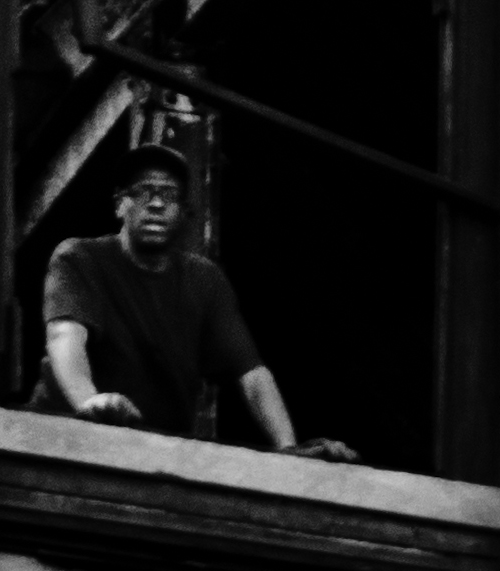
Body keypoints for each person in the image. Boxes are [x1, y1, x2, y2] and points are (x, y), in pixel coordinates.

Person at [32, 141, 355, 459]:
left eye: (169, 194)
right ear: (120, 204)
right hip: (65, 437)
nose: (156, 203)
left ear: (184, 212)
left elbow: (251, 374)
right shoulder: (80, 258)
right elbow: (65, 336)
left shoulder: (204, 280)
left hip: (151, 451)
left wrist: (288, 449)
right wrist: (90, 402)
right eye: (143, 191)